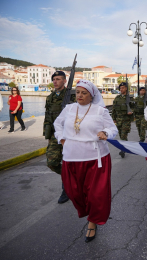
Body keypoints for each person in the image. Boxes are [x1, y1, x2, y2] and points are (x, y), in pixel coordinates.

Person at [54, 79, 118, 243]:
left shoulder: (100, 111)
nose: (80, 96)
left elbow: (113, 129)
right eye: (78, 92)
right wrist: (61, 139)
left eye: (84, 93)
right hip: (71, 157)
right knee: (74, 192)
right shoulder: (69, 109)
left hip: (96, 158)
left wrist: (105, 132)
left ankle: (92, 222)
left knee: (96, 194)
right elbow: (58, 124)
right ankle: (87, 212)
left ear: (92, 95)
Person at [44, 71, 76, 204]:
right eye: (54, 79)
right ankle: (70, 179)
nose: (55, 81)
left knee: (70, 161)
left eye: (58, 79)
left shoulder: (72, 95)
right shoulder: (50, 97)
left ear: (64, 81)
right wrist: (47, 134)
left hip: (71, 135)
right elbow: (47, 116)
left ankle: (66, 189)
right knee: (51, 162)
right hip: (55, 134)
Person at [112, 82, 134, 158]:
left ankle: (122, 150)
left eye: (123, 88)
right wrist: (114, 118)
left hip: (126, 120)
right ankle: (125, 146)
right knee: (121, 135)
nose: (121, 89)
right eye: (120, 88)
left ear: (126, 88)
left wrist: (131, 111)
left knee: (124, 134)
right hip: (118, 120)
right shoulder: (117, 98)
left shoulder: (130, 98)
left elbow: (134, 107)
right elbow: (114, 109)